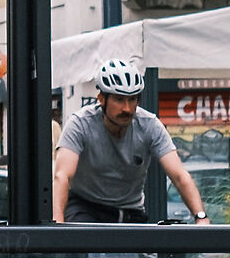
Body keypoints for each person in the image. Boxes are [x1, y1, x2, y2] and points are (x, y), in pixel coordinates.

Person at [51, 59, 209, 224]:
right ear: (101, 99)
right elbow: (62, 176)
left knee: (141, 248)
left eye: (132, 99)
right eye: (119, 99)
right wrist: (58, 225)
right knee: (82, 244)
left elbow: (179, 175)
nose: (126, 108)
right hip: (85, 206)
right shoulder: (80, 123)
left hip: (131, 211)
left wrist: (201, 217)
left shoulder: (149, 124)